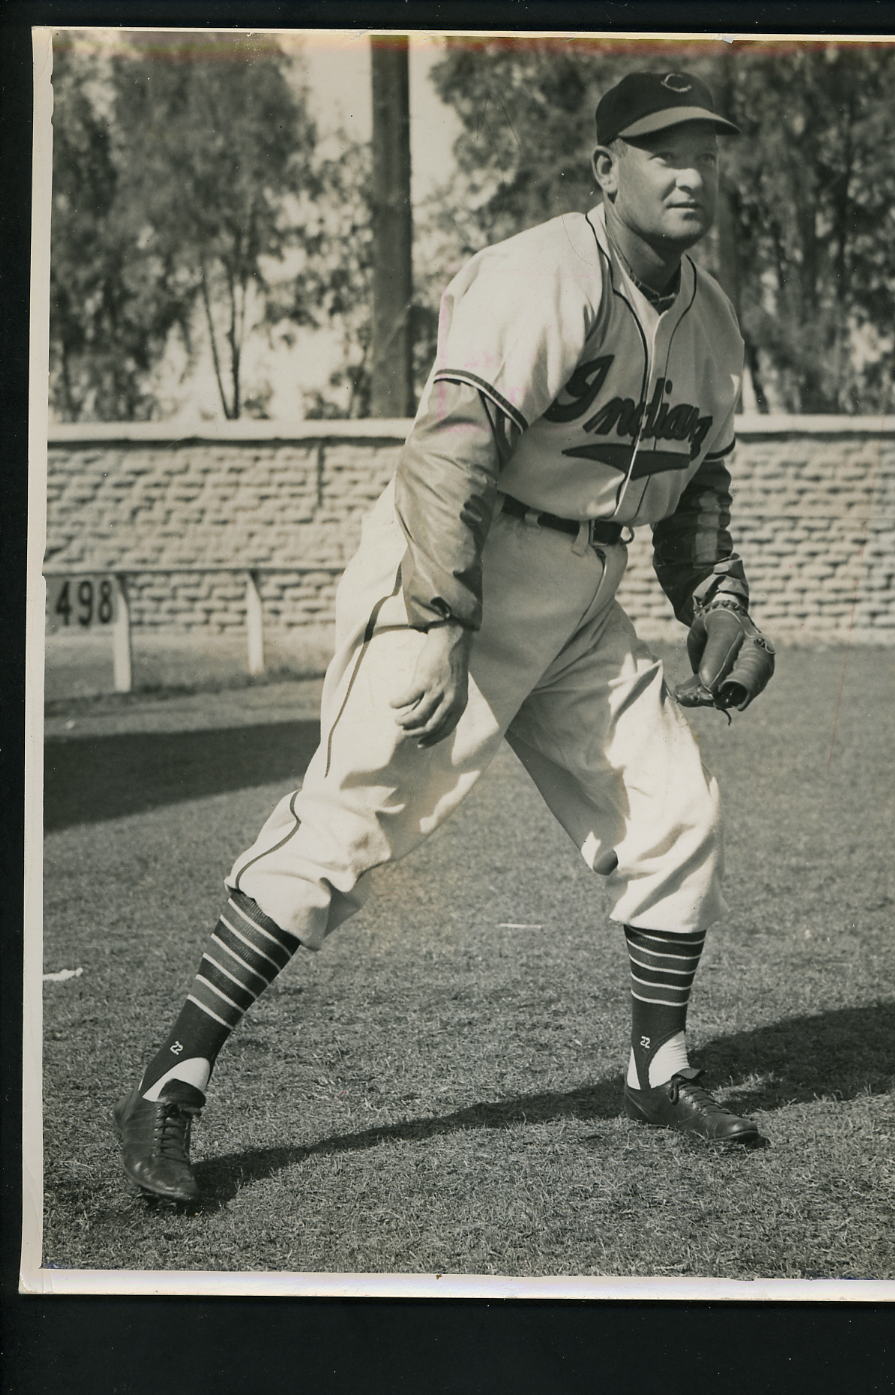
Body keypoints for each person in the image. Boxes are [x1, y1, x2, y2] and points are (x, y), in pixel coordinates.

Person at [114, 69, 776, 1204]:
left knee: (676, 807)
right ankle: (170, 1080)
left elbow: (697, 480)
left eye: (703, 150)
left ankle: (654, 1068)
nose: (688, 172)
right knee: (349, 818)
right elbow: (449, 454)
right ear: (604, 168)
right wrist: (432, 624)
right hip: (461, 557)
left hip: (582, 585)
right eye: (659, 149)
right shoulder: (542, 272)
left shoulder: (709, 319)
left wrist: (717, 605)